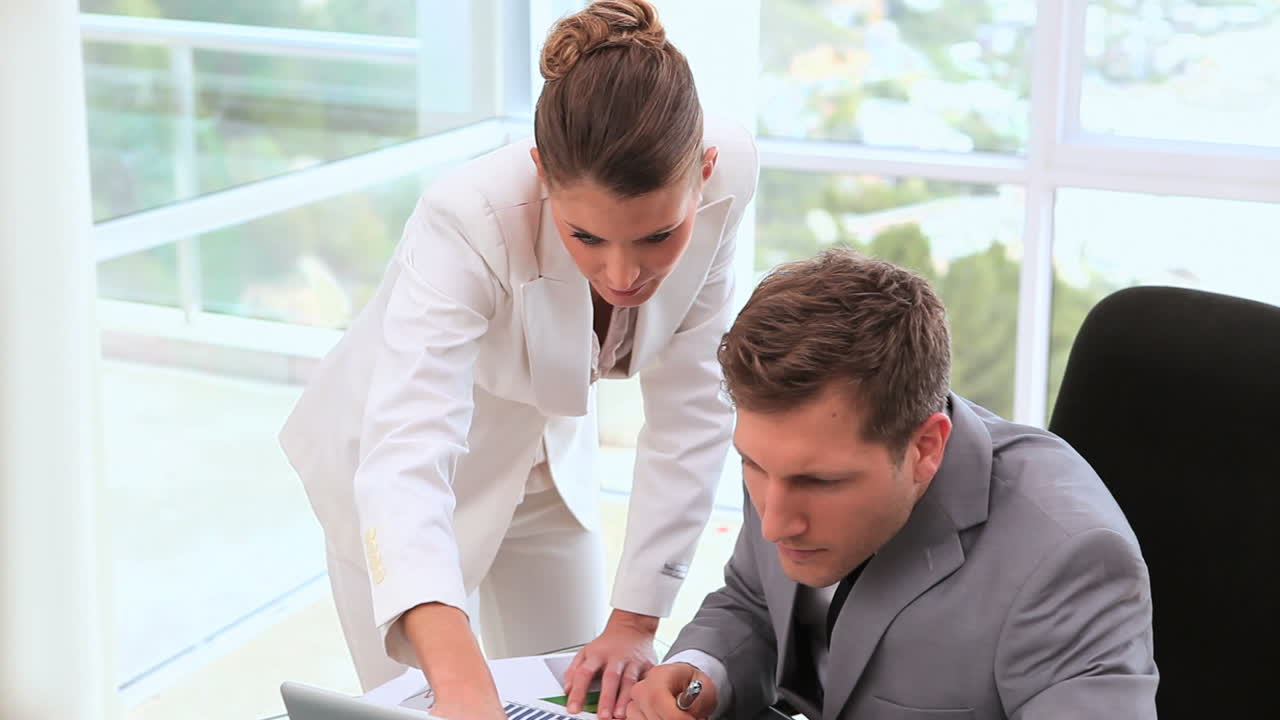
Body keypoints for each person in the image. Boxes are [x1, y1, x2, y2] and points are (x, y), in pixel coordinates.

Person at [277, 2, 758, 718]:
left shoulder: (730, 171)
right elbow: (408, 452)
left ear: (705, 172)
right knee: (436, 702)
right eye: (586, 236)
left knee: (580, 698)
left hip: (549, 463)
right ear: (541, 174)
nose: (623, 275)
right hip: (400, 475)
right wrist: (461, 683)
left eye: (657, 235)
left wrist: (636, 621)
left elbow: (693, 404)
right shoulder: (463, 216)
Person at [627, 249, 1157, 720]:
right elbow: (754, 603)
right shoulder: (785, 458)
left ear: (925, 448)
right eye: (754, 466)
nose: (775, 523)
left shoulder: (1069, 558)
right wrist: (700, 675)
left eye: (821, 481)